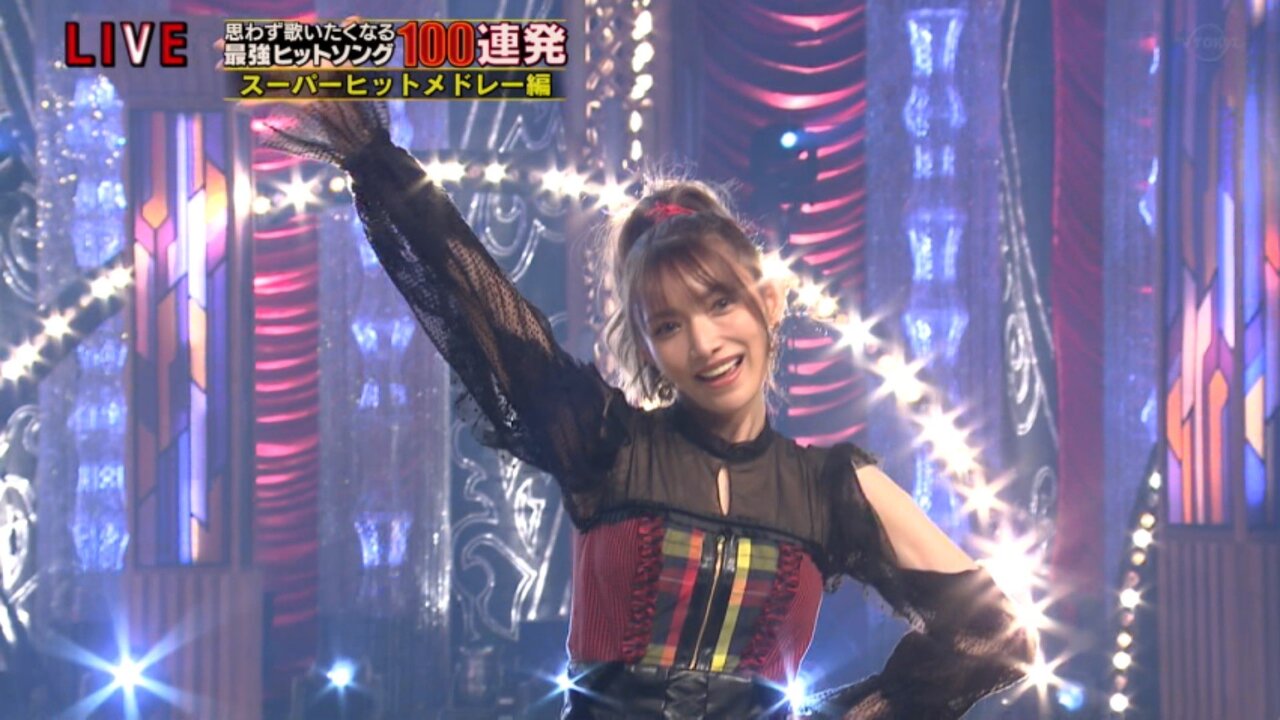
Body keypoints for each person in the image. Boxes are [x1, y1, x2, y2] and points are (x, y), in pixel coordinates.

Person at [264, 101, 1035, 719]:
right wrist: (372, 156)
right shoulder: (607, 445)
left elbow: (994, 636)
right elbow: (479, 308)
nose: (704, 342)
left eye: (720, 303)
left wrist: (861, 712)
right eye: (668, 325)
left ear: (768, 304)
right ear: (646, 348)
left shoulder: (834, 490)